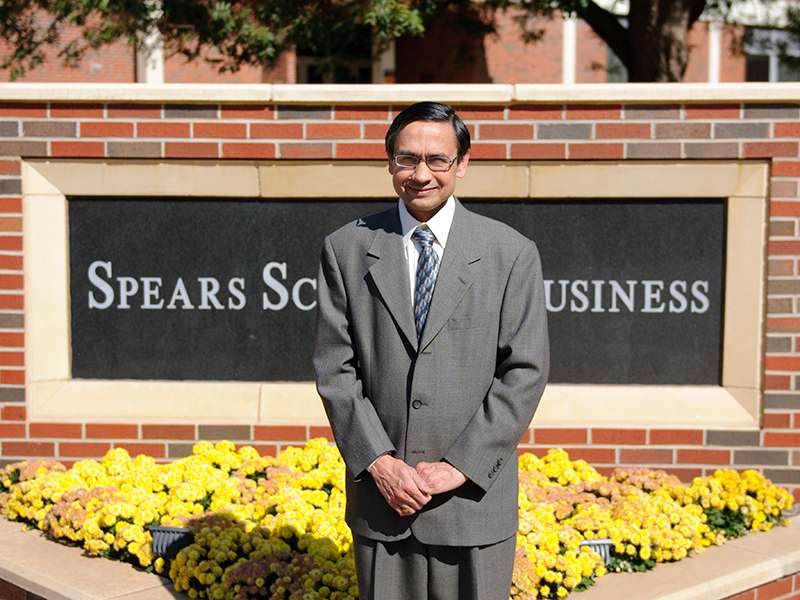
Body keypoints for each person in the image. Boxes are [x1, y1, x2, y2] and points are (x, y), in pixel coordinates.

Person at [313, 101, 549, 600]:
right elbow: (335, 368)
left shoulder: (510, 253)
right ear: (389, 162)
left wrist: (459, 465)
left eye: (437, 160)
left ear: (462, 164)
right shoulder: (346, 248)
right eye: (406, 159)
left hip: (473, 503)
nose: (421, 174)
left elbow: (524, 372)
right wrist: (379, 463)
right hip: (384, 503)